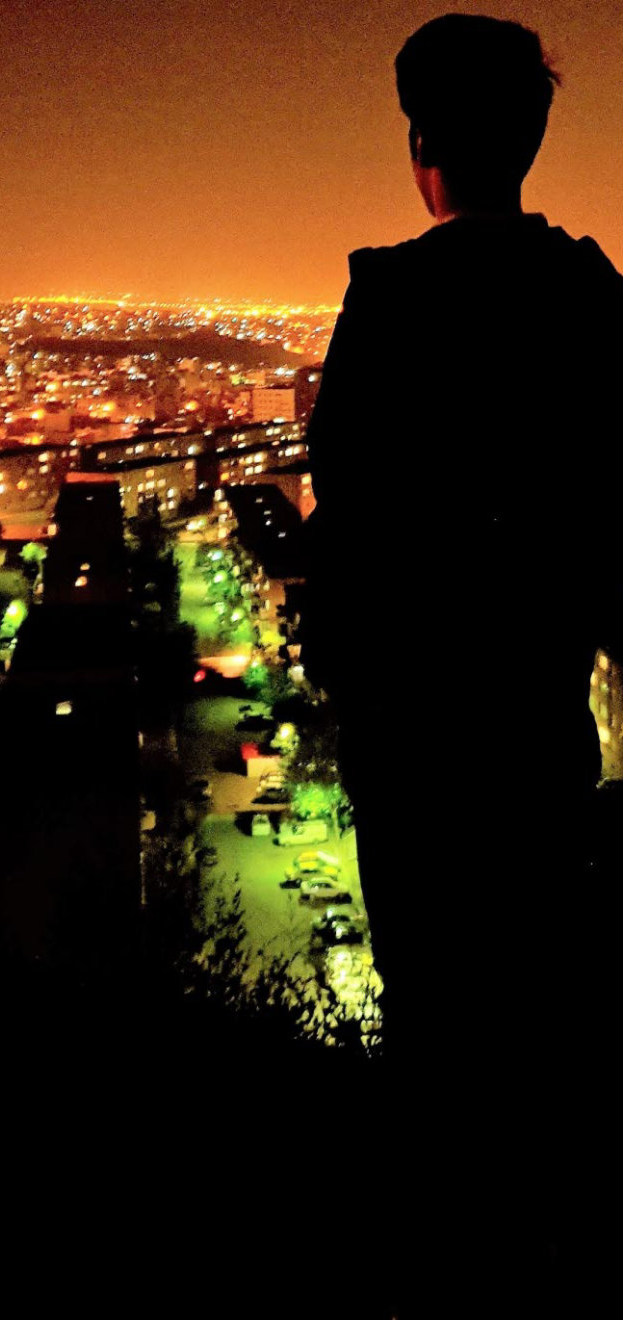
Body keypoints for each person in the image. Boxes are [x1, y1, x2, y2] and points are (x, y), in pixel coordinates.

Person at [302, 13, 622, 1310]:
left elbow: (350, 501)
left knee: (434, 1010)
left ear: (422, 142)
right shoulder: (594, 302)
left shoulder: (392, 298)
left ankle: (443, 1262)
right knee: (543, 1011)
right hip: (537, 722)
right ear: (535, 137)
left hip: (416, 729)